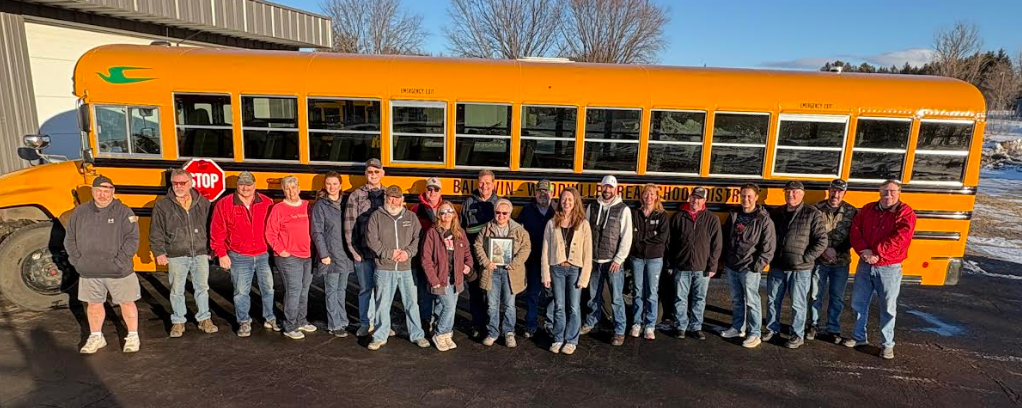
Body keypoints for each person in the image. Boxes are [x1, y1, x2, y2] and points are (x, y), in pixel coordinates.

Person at [66, 176, 141, 354]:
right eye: (99, 190)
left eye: (107, 191)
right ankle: (96, 337)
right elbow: (69, 238)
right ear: (92, 191)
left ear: (113, 192)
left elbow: (132, 239)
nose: (103, 195)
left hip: (118, 270)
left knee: (127, 303)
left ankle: (132, 336)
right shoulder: (80, 212)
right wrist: (78, 261)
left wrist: (119, 262)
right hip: (89, 270)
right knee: (93, 305)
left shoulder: (124, 212)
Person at [842, 180, 916, 360]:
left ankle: (887, 344)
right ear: (879, 192)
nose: (888, 195)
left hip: (889, 267)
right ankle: (859, 337)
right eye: (884, 191)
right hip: (865, 264)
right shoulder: (868, 209)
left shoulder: (905, 213)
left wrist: (877, 252)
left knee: (888, 307)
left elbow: (901, 238)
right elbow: (855, 231)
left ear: (899, 192)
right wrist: (863, 251)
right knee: (858, 303)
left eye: (892, 191)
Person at [150, 169, 217, 338]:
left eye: (182, 183)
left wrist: (211, 249)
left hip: (200, 252)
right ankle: (178, 321)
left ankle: (204, 319)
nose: (178, 186)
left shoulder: (204, 203)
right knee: (176, 290)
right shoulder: (162, 205)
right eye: (175, 183)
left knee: (202, 288)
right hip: (176, 254)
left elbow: (212, 228)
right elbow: (156, 230)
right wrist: (159, 252)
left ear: (191, 183)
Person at [211, 171, 276, 337]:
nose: (245, 188)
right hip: (239, 256)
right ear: (236, 185)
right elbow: (217, 231)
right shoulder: (224, 204)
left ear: (255, 185)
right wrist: (221, 254)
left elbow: (275, 228)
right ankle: (244, 321)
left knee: (268, 289)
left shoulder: (267, 202)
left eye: (249, 184)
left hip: (263, 254)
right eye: (242, 184)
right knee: (241, 292)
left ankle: (270, 317)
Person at [765, 181, 828, 349]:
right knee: (772, 300)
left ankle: (797, 334)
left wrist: (806, 258)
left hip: (800, 269)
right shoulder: (777, 213)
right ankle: (772, 329)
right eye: (788, 192)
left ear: (802, 194)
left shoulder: (812, 214)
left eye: (794, 192)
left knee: (798, 303)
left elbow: (822, 241)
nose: (790, 195)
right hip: (778, 266)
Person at [365, 185, 429, 350]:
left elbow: (418, 238)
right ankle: (380, 336)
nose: (393, 201)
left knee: (411, 303)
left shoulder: (411, 217)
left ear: (402, 199)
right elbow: (372, 240)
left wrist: (408, 253)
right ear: (386, 198)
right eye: (390, 197)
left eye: (397, 197)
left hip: (406, 268)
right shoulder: (376, 216)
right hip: (384, 268)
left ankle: (417, 335)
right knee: (382, 304)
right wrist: (388, 253)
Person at [720, 183, 775, 349]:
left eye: (749, 196)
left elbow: (768, 247)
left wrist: (756, 266)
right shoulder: (734, 215)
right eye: (743, 195)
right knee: (737, 300)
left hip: (749, 266)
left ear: (756, 197)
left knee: (752, 301)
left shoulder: (763, 219)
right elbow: (726, 238)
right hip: (732, 265)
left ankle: (755, 333)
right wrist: (726, 260)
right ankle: (738, 328)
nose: (746, 199)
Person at [582, 175, 633, 346]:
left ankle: (619, 330)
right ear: (601, 187)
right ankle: (591, 321)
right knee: (593, 296)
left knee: (616, 298)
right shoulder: (592, 206)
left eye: (610, 187)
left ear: (616, 189)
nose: (607, 190)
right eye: (605, 187)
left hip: (613, 262)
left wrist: (618, 259)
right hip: (595, 260)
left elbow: (626, 237)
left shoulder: (623, 209)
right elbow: (586, 233)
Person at [666, 187, 722, 341]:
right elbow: (670, 243)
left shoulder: (712, 218)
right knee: (680, 298)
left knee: (699, 299)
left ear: (704, 201)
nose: (695, 201)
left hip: (702, 268)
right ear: (689, 198)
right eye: (693, 197)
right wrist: (670, 264)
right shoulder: (678, 217)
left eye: (699, 198)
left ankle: (696, 326)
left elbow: (717, 245)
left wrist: (712, 266)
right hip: (681, 266)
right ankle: (680, 326)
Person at [473, 199, 531, 347]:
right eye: (498, 212)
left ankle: (509, 332)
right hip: (492, 271)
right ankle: (492, 332)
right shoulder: (487, 228)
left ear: (510, 213)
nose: (501, 216)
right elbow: (477, 245)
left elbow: (526, 248)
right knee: (492, 304)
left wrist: (515, 263)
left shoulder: (519, 230)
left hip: (510, 272)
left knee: (509, 304)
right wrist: (486, 262)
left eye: (504, 213)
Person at [542, 187, 593, 355]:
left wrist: (584, 277)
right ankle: (558, 338)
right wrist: (546, 274)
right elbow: (546, 250)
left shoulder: (583, 224)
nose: (567, 202)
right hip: (557, 268)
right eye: (564, 199)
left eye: (570, 199)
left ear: (575, 201)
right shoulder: (552, 223)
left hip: (574, 270)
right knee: (558, 306)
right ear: (559, 201)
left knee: (573, 307)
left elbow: (588, 253)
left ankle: (571, 340)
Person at [265, 176, 315, 340]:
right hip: (288, 256)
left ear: (299, 188)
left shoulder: (308, 206)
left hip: (307, 255)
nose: (291, 191)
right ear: (283, 190)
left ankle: (301, 320)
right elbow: (270, 233)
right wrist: (281, 250)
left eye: (294, 187)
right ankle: (290, 325)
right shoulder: (278, 209)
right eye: (287, 188)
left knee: (304, 290)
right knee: (294, 290)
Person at [808, 179, 858, 342]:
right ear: (829, 190)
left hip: (841, 261)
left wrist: (836, 250)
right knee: (815, 294)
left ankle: (833, 328)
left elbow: (854, 236)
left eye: (839, 192)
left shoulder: (852, 211)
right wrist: (823, 250)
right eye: (833, 190)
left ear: (844, 193)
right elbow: (810, 232)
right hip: (819, 260)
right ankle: (813, 325)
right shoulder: (816, 209)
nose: (836, 194)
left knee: (837, 296)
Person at [421, 201, 473, 351]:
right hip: (440, 278)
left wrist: (468, 265)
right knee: (449, 306)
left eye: (449, 211)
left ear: (454, 214)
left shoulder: (459, 232)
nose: (446, 215)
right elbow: (426, 259)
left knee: (450, 306)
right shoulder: (433, 233)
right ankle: (440, 333)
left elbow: (468, 253)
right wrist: (433, 280)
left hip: (456, 278)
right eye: (442, 212)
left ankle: (447, 334)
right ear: (439, 215)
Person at [344, 158, 386, 337]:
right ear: (365, 174)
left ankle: (381, 324)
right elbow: (348, 225)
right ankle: (365, 323)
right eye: (370, 172)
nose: (373, 175)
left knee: (383, 291)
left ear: (382, 173)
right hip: (362, 251)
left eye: (377, 171)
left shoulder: (388, 194)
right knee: (365, 289)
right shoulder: (356, 195)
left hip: (382, 254)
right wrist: (354, 251)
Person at [312, 171, 355, 338]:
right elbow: (317, 231)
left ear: (340, 185)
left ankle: (343, 320)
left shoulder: (346, 203)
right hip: (329, 254)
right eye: (328, 184)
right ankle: (334, 324)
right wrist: (323, 253)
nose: (332, 187)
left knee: (342, 289)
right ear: (324, 185)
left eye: (335, 184)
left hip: (345, 253)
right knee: (331, 290)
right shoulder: (320, 206)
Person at [461, 169, 500, 337]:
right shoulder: (468, 202)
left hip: (494, 256)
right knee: (475, 292)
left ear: (494, 184)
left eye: (488, 183)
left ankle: (493, 327)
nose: (484, 186)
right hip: (473, 256)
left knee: (492, 294)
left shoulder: (499, 203)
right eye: (482, 182)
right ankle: (478, 325)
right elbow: (462, 229)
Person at [628, 184, 669, 340]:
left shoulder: (662, 215)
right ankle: (637, 323)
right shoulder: (635, 213)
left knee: (652, 292)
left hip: (654, 259)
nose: (649, 196)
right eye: (646, 193)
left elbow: (662, 238)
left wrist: (641, 239)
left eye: (652, 194)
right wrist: (651, 236)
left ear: (657, 196)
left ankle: (650, 325)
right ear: (642, 196)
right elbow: (631, 235)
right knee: (637, 291)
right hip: (637, 258)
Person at [516, 179, 556, 338]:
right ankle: (531, 324)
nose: (543, 195)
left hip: (552, 260)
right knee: (532, 293)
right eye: (540, 191)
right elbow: (518, 232)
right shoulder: (527, 210)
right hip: (533, 258)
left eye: (546, 192)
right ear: (534, 193)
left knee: (551, 294)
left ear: (552, 194)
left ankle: (550, 323)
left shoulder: (557, 211)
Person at [411, 177, 444, 331]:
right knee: (424, 291)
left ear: (440, 192)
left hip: (441, 259)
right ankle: (425, 322)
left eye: (436, 189)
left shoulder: (447, 209)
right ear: (425, 191)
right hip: (422, 257)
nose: (432, 192)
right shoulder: (416, 210)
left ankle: (437, 322)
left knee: (440, 291)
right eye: (430, 189)